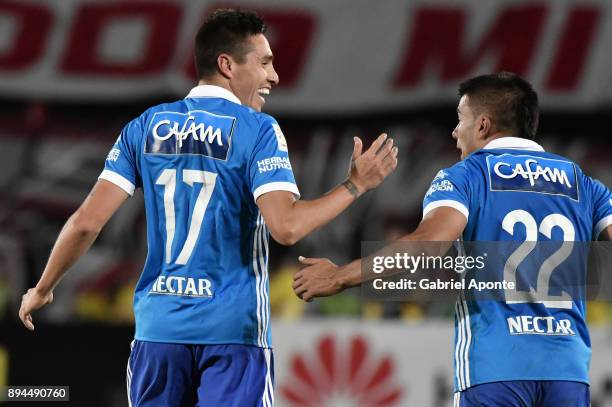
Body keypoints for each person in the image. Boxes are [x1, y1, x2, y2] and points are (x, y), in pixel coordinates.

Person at [18, 9, 398, 407]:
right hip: (233, 335)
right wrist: (356, 184)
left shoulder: (145, 126)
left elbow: (86, 222)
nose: (275, 77)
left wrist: (43, 288)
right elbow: (286, 227)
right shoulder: (257, 130)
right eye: (265, 63)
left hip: (159, 333)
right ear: (227, 65)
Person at [293, 72, 612, 406]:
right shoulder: (582, 183)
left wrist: (340, 275)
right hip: (567, 370)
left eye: (461, 119)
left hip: (495, 368)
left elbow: (428, 244)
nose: (455, 131)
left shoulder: (467, 176)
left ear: (483, 125)